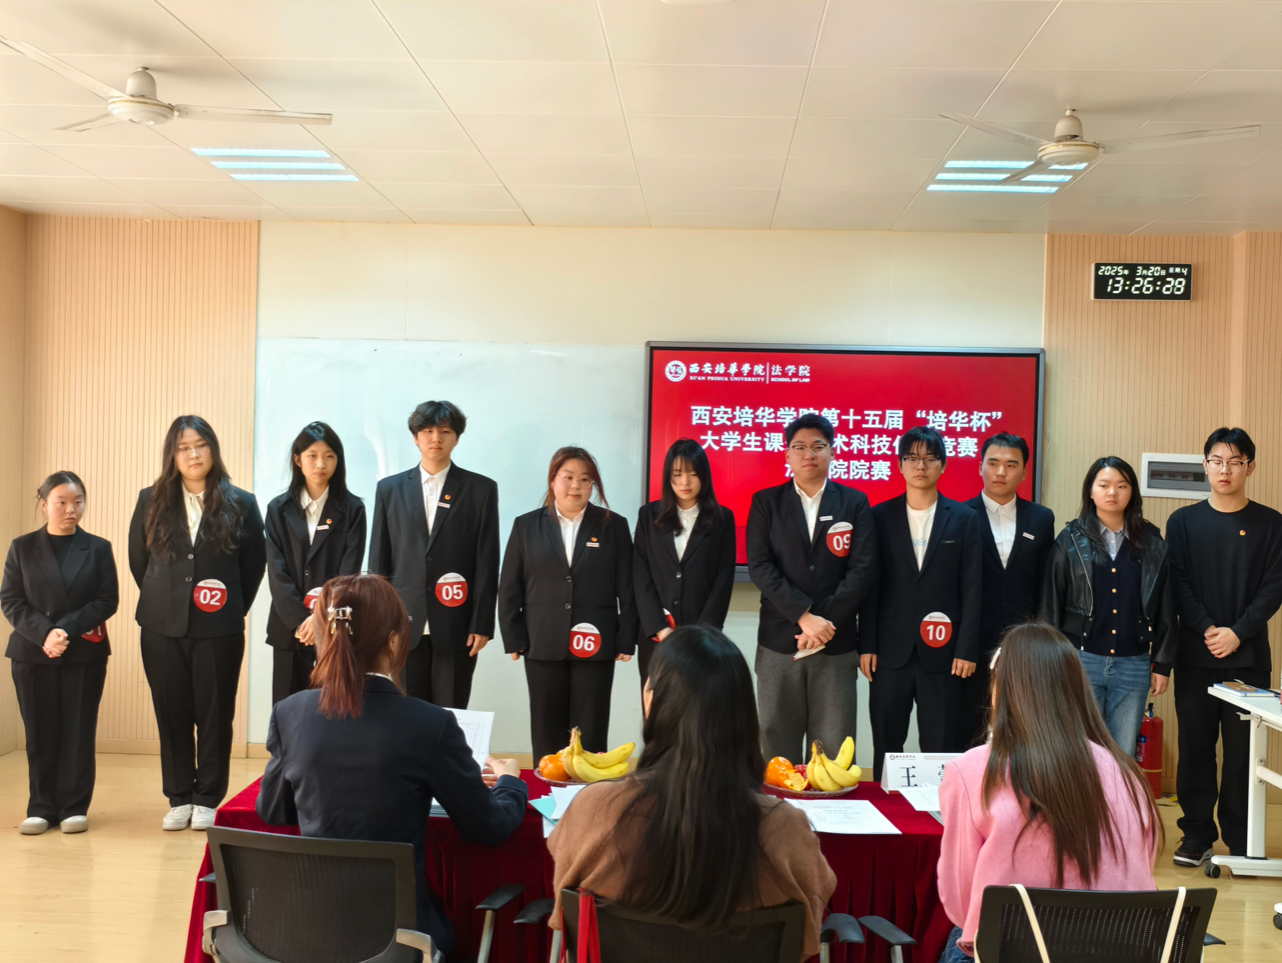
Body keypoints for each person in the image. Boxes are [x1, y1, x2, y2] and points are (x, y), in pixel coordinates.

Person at [258, 575, 528, 962]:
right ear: (395, 640)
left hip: (305, 934)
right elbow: (489, 826)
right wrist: (510, 783)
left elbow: (273, 811)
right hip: (401, 940)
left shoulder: (289, 713)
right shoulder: (430, 724)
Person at [548, 625, 836, 962]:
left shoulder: (592, 809)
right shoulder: (784, 827)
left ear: (651, 700)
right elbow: (808, 933)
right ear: (744, 713)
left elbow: (563, 914)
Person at [936, 622, 1161, 962]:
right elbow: (1142, 872)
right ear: (1077, 688)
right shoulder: (1127, 773)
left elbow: (960, 905)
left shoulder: (971, 771)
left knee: (960, 937)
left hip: (1013, 951)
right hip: (1116, 950)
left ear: (1001, 689)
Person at [128, 415, 266, 832]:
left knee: (214, 714)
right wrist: (167, 600)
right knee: (170, 713)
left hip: (219, 628)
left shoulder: (241, 502)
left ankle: (207, 796)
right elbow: (139, 561)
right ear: (172, 454)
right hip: (160, 627)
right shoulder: (150, 499)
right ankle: (179, 797)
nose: (193, 454)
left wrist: (230, 610)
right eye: (184, 447)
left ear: (213, 450)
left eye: (200, 445)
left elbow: (253, 566)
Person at [1165, 427, 1282, 867]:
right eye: (1217, 461)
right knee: (1196, 749)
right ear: (1205, 466)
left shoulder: (1272, 523)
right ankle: (1196, 836)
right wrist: (1210, 629)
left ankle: (1241, 838)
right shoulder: (1182, 522)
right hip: (1195, 656)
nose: (1225, 469)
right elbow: (1178, 584)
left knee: (1242, 754)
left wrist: (1237, 631)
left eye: (1235, 462)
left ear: (1250, 467)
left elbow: (1274, 587)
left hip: (1248, 659)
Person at [746, 413, 876, 764]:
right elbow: (760, 567)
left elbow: (862, 570)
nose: (809, 454)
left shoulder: (854, 502)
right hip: (779, 641)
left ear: (833, 452)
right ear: (787, 454)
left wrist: (823, 625)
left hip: (836, 643)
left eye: (818, 446)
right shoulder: (766, 502)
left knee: (833, 750)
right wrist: (804, 617)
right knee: (776, 743)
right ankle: (778, 803)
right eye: (800, 447)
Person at [498, 446, 638, 763]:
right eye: (568, 477)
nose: (576, 486)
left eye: (585, 480)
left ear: (593, 485)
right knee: (546, 726)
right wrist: (514, 637)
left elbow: (628, 588)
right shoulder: (526, 526)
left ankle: (586, 790)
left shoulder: (613, 525)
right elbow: (509, 587)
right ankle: (550, 788)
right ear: (553, 480)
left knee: (591, 726)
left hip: (596, 641)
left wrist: (625, 638)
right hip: (541, 640)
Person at [862, 425, 981, 780]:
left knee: (940, 746)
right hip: (889, 653)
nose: (920, 466)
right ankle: (887, 810)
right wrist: (866, 644)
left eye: (930, 458)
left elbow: (972, 588)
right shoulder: (879, 517)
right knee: (887, 745)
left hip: (944, 653)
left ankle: (940, 811)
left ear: (943, 465)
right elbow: (870, 586)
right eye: (912, 458)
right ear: (900, 465)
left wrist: (966, 649)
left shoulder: (964, 518)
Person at [2, 472, 118, 835]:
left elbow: (107, 600)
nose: (71, 509)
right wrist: (45, 634)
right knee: (39, 732)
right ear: (44, 505)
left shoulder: (98, 548)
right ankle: (40, 807)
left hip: (83, 652)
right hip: (32, 653)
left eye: (78, 502)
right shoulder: (22, 547)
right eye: (62, 502)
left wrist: (63, 630)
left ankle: (73, 807)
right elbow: (11, 600)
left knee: (78, 730)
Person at [1040, 457, 1176, 760]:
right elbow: (1050, 605)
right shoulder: (1070, 540)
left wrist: (1163, 664)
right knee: (1078, 754)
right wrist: (1049, 662)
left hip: (1133, 665)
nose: (1112, 492)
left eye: (1121, 485)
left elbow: (1166, 607)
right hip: (1080, 661)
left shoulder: (1152, 542)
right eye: (1103, 485)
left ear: (1132, 492)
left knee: (1121, 756)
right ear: (1091, 491)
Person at [369, 400, 499, 710]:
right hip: (402, 623)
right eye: (427, 431)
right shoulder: (389, 489)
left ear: (457, 438)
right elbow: (379, 562)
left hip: (457, 622)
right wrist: (380, 624)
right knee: (407, 713)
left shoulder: (480, 489)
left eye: (445, 431)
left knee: (451, 713)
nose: (436, 438)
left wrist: (482, 623)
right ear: (415, 437)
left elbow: (487, 560)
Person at [961, 433, 1054, 748]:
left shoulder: (1041, 518)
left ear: (1024, 472)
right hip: (972, 644)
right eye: (993, 463)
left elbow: (1045, 582)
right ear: (980, 467)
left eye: (1011, 465)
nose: (1001, 472)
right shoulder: (960, 515)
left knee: (1024, 728)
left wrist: (1042, 636)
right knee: (970, 726)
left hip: (1024, 644)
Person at [265, 422, 367, 705]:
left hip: (335, 627)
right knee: (287, 708)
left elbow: (349, 572)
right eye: (312, 455)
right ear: (298, 459)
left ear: (338, 460)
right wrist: (301, 621)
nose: (321, 464)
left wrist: (321, 618)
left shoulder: (353, 509)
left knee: (332, 709)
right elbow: (277, 571)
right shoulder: (278, 509)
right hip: (289, 628)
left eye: (329, 456)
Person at [632, 438, 736, 697]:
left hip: (702, 639)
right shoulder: (648, 515)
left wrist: (702, 634)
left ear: (704, 475)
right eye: (677, 474)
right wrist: (660, 628)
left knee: (698, 710)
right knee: (656, 710)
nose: (685, 482)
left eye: (693, 473)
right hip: (656, 637)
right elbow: (641, 576)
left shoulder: (723, 519)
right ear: (668, 476)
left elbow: (723, 579)